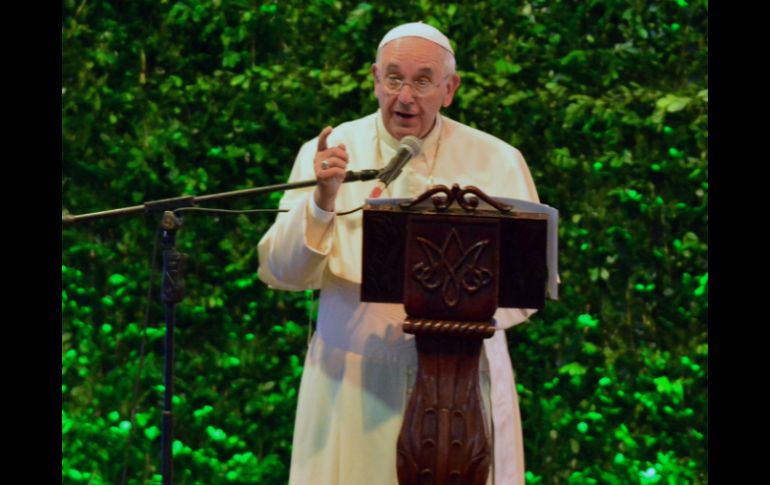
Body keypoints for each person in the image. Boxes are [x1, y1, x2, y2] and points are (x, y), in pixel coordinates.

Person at [258, 22, 539, 485]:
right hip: (351, 379)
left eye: (423, 81)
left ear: (450, 89)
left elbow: (525, 285)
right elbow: (281, 270)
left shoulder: (498, 160)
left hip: (460, 378)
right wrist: (322, 201)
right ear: (374, 79)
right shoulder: (329, 153)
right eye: (393, 78)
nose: (404, 96)